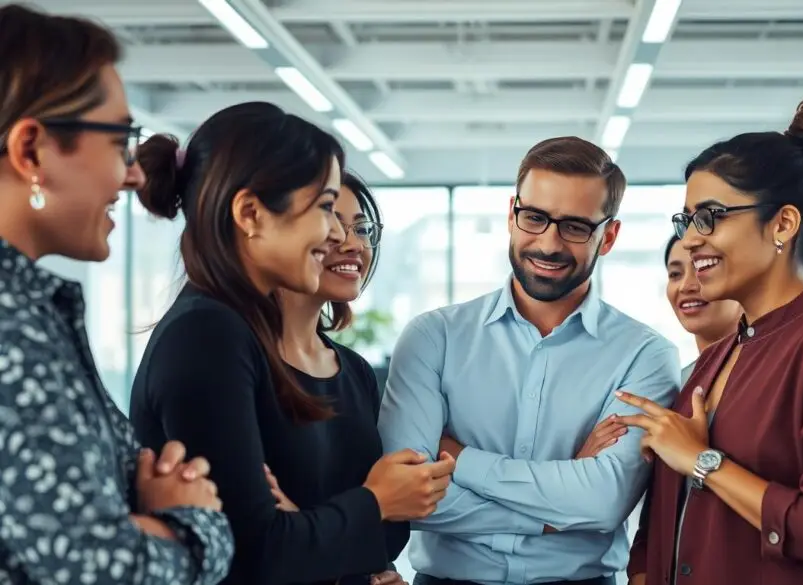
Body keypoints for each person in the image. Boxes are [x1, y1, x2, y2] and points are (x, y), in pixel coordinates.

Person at [128, 103, 455, 585]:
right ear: (251, 214)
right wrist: (375, 500)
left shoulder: (231, 331)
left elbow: (315, 542)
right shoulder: (208, 334)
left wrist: (314, 526)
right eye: (325, 208)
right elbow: (256, 551)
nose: (338, 234)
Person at [620, 97, 803, 585]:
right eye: (687, 220)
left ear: (783, 224)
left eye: (710, 216)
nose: (690, 239)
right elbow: (671, 508)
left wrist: (704, 461)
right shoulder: (728, 350)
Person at [378, 136, 681, 585]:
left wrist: (461, 460)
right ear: (511, 215)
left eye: (576, 227)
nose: (549, 243)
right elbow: (410, 496)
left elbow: (603, 503)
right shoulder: (433, 337)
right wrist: (558, 507)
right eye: (535, 218)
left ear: (609, 236)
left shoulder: (645, 355)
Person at [0, 4, 233, 584]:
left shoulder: (30, 311)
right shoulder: (10, 329)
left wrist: (138, 502)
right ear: (31, 151)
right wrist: (195, 521)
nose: (133, 174)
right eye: (120, 142)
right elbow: (98, 570)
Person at [268, 172, 412, 585]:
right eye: (331, 222)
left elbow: (389, 526)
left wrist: (379, 569)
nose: (353, 243)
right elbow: (265, 532)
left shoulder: (355, 372)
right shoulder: (244, 363)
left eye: (362, 228)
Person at [663, 234, 743, 378]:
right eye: (675, 274)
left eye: (704, 268)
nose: (685, 286)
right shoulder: (674, 389)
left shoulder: (777, 368)